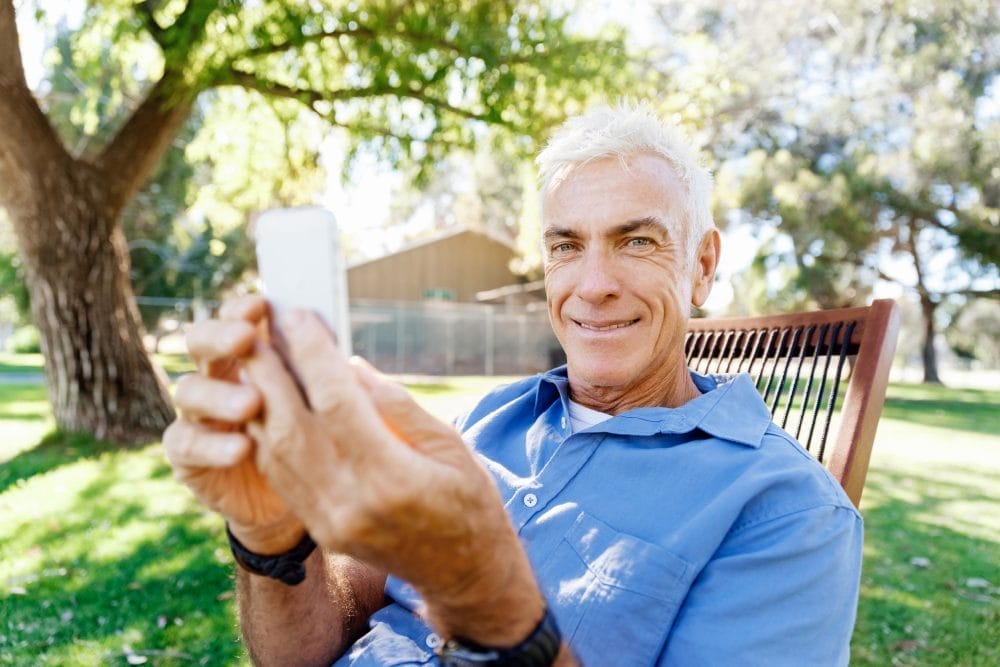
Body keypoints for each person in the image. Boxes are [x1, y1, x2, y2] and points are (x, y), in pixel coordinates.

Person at [163, 103, 862, 666]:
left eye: (637, 240)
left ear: (703, 265)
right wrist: (273, 538)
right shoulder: (496, 416)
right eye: (566, 245)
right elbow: (308, 647)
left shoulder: (789, 512)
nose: (592, 285)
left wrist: (482, 593)